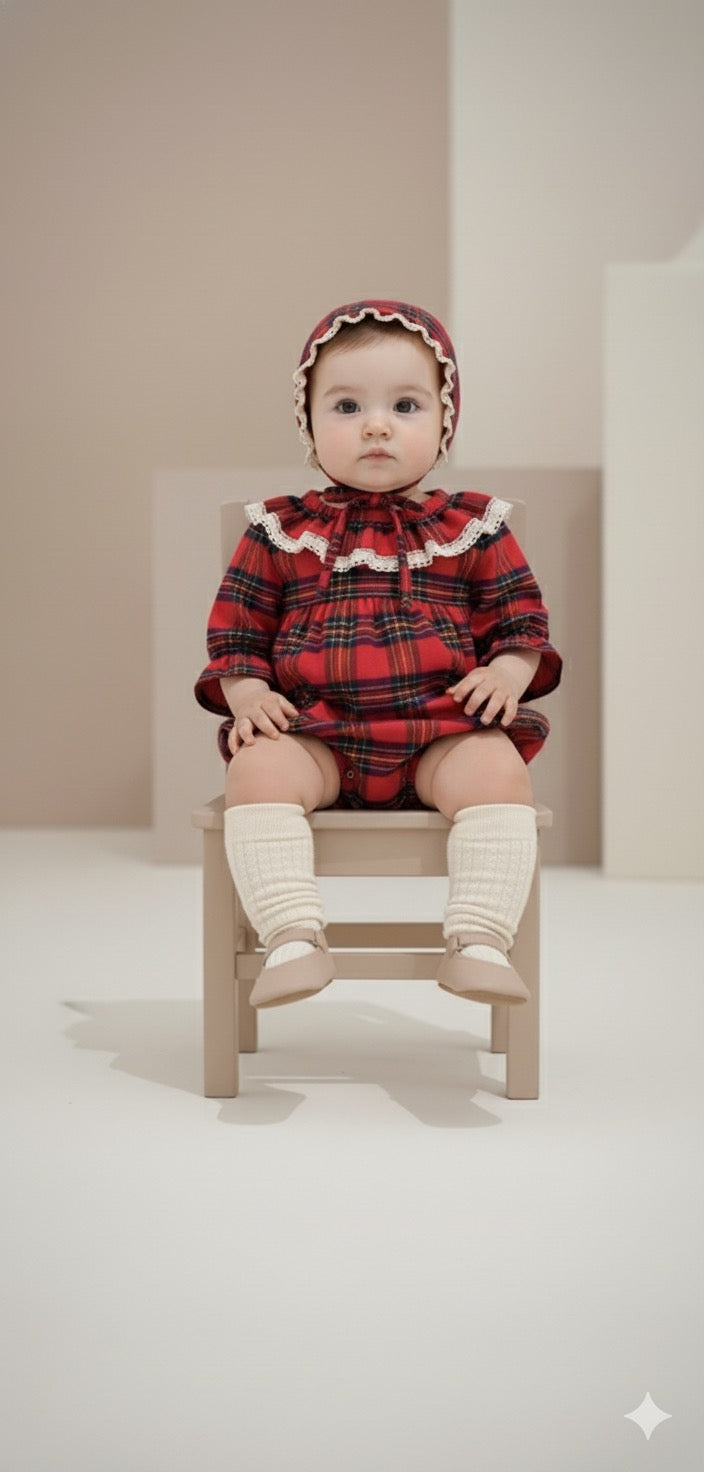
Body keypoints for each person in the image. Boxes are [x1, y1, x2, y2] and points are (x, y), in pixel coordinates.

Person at [194, 299, 562, 1009]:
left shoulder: (473, 527)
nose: (376, 425)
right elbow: (237, 633)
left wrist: (507, 671)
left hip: (438, 735)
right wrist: (248, 694)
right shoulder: (277, 530)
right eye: (346, 406)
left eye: (405, 405)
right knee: (257, 768)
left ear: (445, 422)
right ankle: (291, 936)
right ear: (308, 423)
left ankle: (480, 939)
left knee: (498, 769)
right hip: (317, 735)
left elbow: (521, 622)